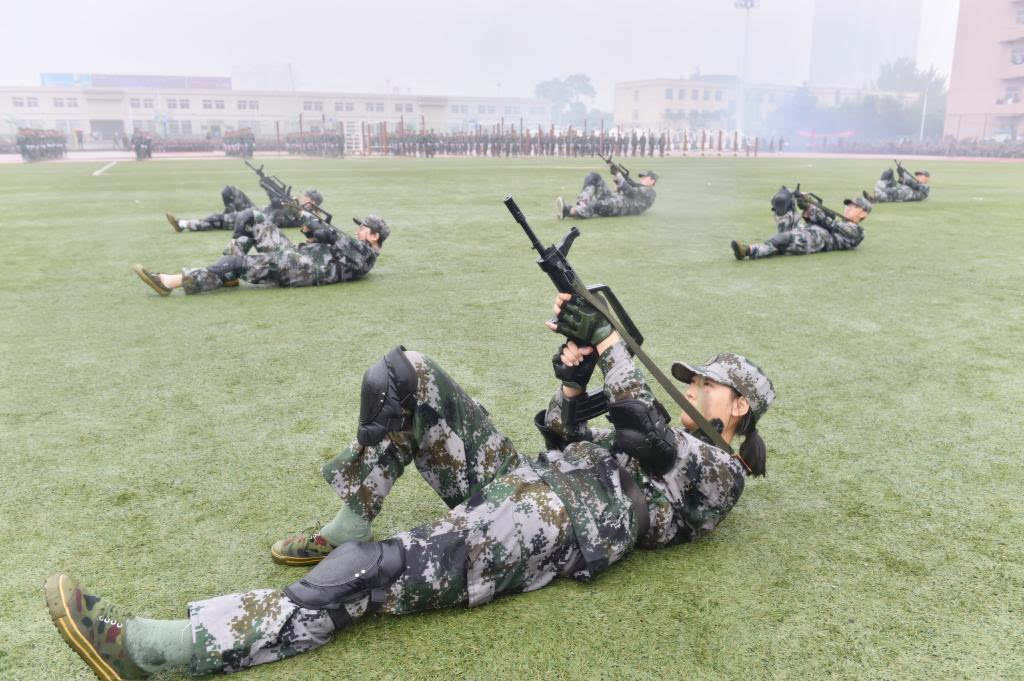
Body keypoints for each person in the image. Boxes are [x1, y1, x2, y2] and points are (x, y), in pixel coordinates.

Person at [43, 292, 774, 680]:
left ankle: (153, 650)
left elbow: (647, 435)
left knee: (364, 576)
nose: (693, 389)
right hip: (523, 479)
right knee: (405, 375)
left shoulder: (721, 473)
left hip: (549, 525)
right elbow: (566, 436)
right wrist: (573, 379)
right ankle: (348, 518)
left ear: (738, 406)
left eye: (706, 385)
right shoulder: (679, 431)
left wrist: (614, 346)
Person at [132, 214, 388, 296]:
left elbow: (335, 239)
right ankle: (228, 274)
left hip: (299, 269)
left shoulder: (366, 256)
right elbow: (328, 245)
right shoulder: (356, 249)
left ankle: (170, 282)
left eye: (363, 228)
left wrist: (317, 225)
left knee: (235, 263)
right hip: (297, 256)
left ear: (374, 236)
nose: (358, 230)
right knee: (251, 219)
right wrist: (312, 234)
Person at [730, 187, 870, 260]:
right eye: (848, 205)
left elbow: (830, 225)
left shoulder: (857, 232)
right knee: (783, 199)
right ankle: (770, 249)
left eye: (854, 206)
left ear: (863, 213)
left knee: (783, 239)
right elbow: (818, 220)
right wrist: (804, 202)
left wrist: (810, 207)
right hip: (805, 232)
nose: (849, 208)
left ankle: (748, 250)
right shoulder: (839, 221)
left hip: (814, 240)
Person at [165, 186, 324, 232]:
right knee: (229, 191)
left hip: (256, 219)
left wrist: (273, 194)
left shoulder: (304, 216)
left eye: (306, 196)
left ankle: (183, 224)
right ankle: (230, 216)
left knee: (216, 219)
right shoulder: (296, 204)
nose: (302, 196)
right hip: (257, 210)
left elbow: (279, 211)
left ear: (312, 202)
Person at [555, 168, 658, 220]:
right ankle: (582, 204)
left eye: (645, 177)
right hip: (614, 199)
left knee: (595, 204)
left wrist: (619, 176)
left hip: (620, 207)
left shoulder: (650, 192)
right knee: (593, 177)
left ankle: (569, 211)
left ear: (653, 181)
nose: (642, 178)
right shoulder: (639, 187)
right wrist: (619, 185)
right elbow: (626, 191)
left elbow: (630, 192)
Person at [863, 166, 930, 203]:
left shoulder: (926, 188)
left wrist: (908, 179)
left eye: (920, 175)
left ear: (927, 178)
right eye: (917, 175)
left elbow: (916, 186)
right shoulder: (913, 182)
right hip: (896, 189)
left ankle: (874, 197)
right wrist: (900, 173)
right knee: (889, 171)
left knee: (889, 192)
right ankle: (876, 194)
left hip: (897, 195)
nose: (918, 176)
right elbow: (901, 181)